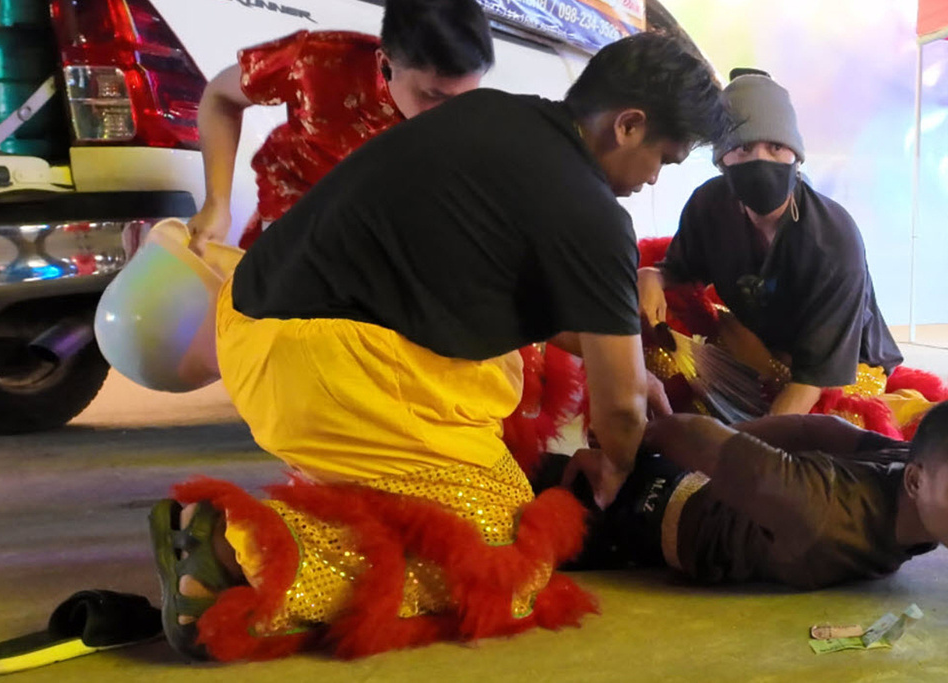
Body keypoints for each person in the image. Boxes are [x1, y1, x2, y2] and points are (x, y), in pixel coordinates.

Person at [149, 32, 730, 662]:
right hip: (325, 366)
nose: (651, 183)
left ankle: (342, 492)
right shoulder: (591, 208)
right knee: (507, 553)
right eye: (662, 162)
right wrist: (615, 465)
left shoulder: (498, 116)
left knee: (477, 438)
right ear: (629, 125)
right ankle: (244, 552)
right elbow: (620, 413)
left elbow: (513, 298)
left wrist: (621, 362)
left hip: (251, 322)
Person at [637, 68, 907, 418]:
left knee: (835, 428)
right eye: (743, 147)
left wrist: (755, 449)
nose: (760, 160)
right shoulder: (710, 205)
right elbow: (680, 269)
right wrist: (651, 276)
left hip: (843, 368)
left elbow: (813, 379)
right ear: (722, 160)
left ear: (796, 157)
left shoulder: (833, 238)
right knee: (659, 360)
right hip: (766, 353)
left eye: (775, 147)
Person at [187, 0, 494, 254]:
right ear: (385, 63)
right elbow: (221, 99)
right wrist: (217, 203)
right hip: (292, 227)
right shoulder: (317, 64)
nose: (450, 115)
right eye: (433, 95)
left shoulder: (471, 118)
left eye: (463, 99)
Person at [535, 403, 947, 589]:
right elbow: (693, 434)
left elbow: (826, 430)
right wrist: (625, 446)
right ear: (914, 481)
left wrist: (737, 441)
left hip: (690, 485)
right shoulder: (823, 509)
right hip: (628, 510)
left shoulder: (909, 464)